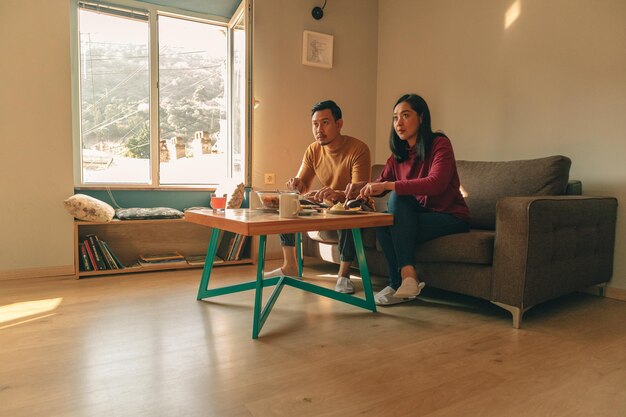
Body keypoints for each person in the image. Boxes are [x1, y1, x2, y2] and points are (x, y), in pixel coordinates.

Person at [357, 93, 470, 305]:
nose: (398, 123)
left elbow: (436, 183)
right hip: (420, 215)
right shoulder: (398, 155)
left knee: (398, 199)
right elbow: (378, 185)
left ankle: (406, 278)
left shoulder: (440, 144)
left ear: (421, 118)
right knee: (382, 222)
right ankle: (398, 284)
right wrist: (356, 189)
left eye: (405, 115)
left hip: (450, 216)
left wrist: (390, 185)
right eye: (394, 118)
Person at [264, 100, 371, 294]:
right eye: (315, 124)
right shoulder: (313, 149)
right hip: (326, 205)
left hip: (358, 206)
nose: (318, 129)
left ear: (339, 124)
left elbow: (359, 192)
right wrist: (296, 185)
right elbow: (302, 186)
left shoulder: (358, 149)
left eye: (325, 123)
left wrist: (337, 193)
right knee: (288, 203)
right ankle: (290, 267)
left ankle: (343, 276)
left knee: (348, 211)